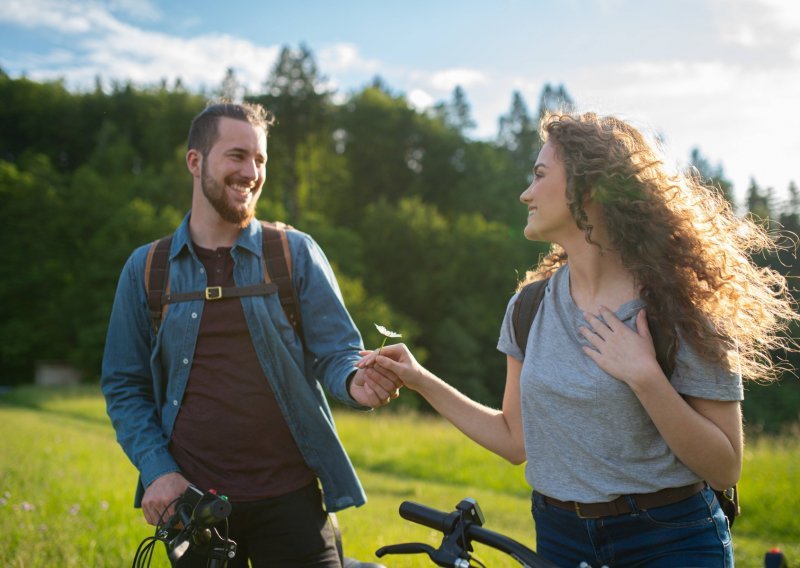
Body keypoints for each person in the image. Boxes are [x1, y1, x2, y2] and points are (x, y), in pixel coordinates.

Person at [358, 112, 799, 567]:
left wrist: (645, 376)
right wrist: (418, 379)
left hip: (669, 540)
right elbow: (514, 441)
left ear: (587, 189)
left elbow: (725, 468)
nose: (525, 192)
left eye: (540, 175)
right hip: (560, 536)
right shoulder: (528, 309)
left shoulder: (683, 310)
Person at [101, 101, 399, 567]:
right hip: (194, 507)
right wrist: (158, 472)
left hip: (292, 501)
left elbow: (337, 352)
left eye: (260, 160)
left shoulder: (294, 253)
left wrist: (353, 382)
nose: (252, 172)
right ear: (195, 161)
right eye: (237, 156)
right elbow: (124, 385)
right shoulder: (147, 269)